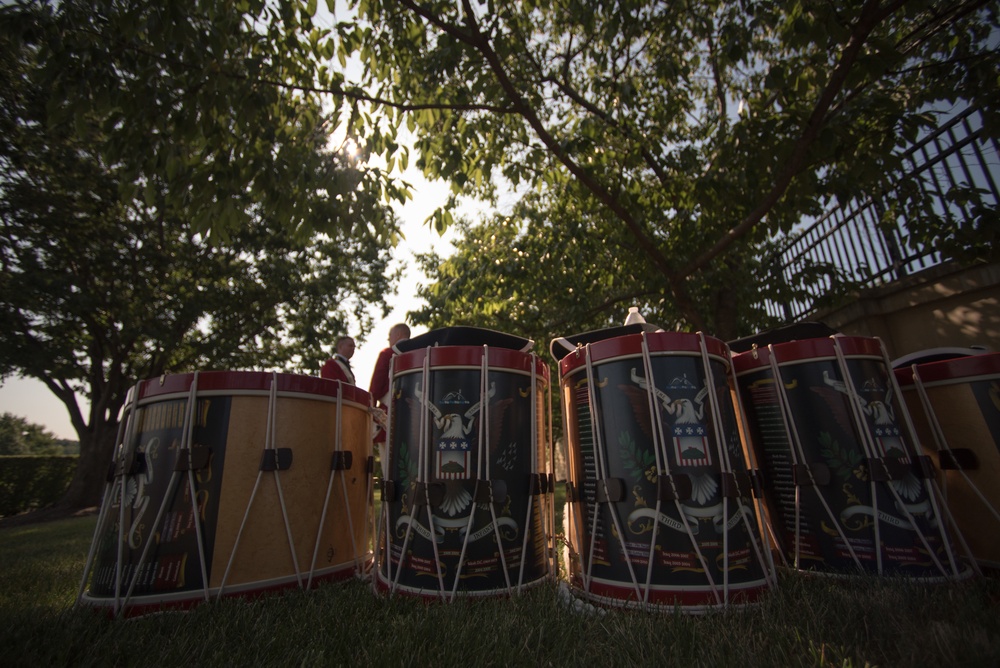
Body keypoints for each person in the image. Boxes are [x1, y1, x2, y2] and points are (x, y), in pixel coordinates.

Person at [369, 323, 410, 445]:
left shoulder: (387, 354)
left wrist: (370, 407)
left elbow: (376, 385)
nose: (388, 339)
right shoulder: (420, 353)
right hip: (414, 415)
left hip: (390, 413)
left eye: (389, 335)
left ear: (398, 334)